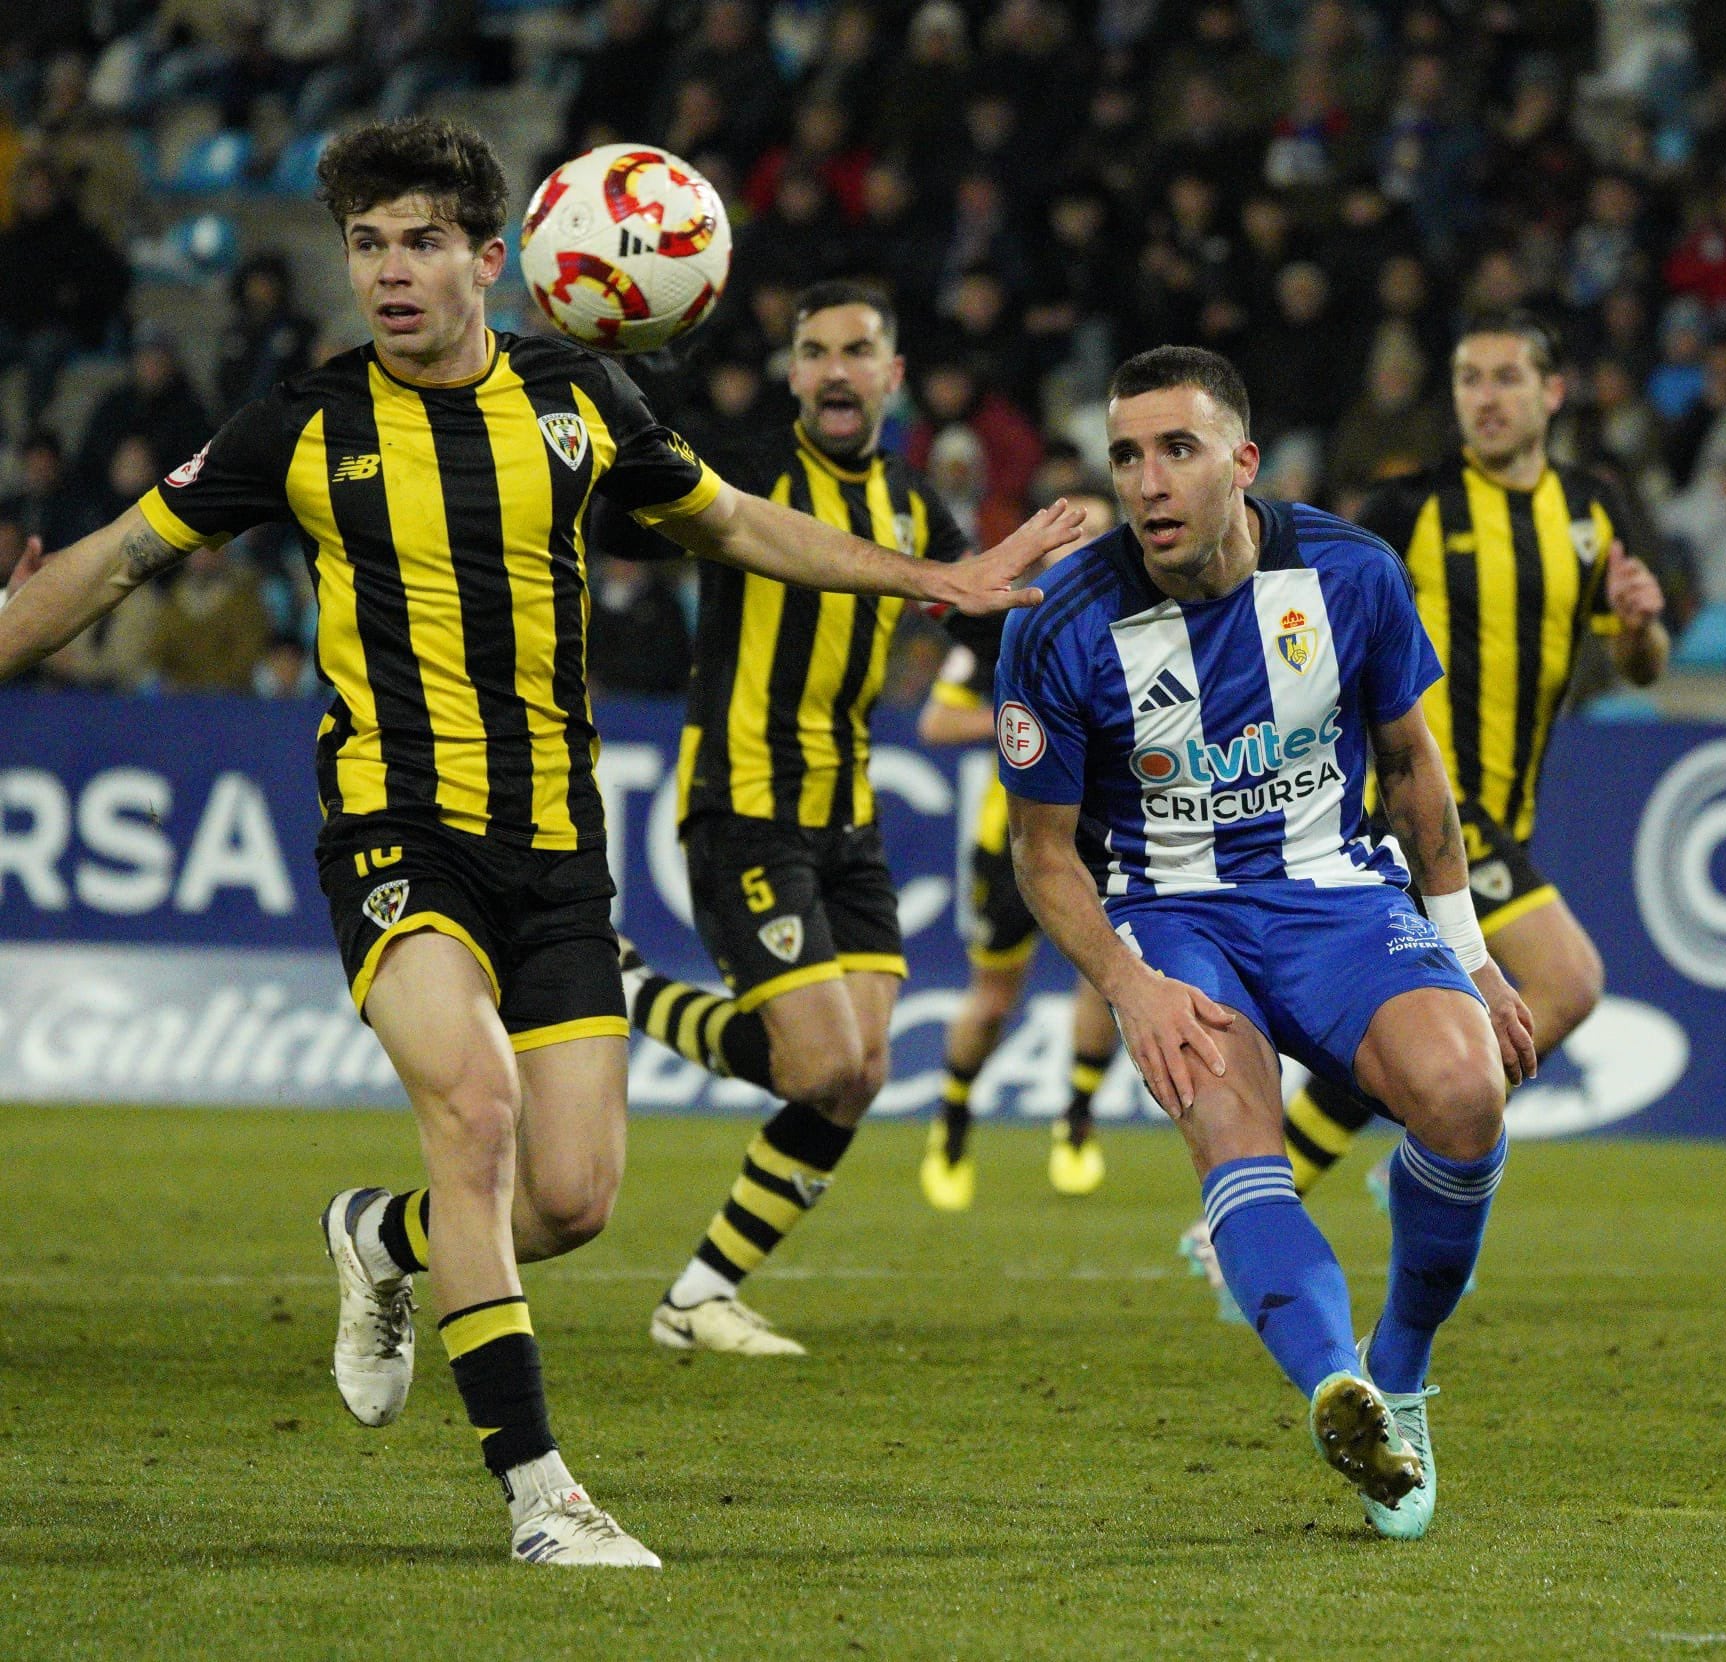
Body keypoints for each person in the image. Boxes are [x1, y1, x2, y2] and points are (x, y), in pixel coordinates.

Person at [0, 118, 1071, 1568]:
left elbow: (738, 523)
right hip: (393, 835)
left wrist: (938, 577)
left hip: (559, 855)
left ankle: (378, 1236)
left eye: (423, 242)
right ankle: (541, 1494)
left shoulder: (579, 402)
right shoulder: (300, 426)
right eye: (367, 243)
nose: (390, 271)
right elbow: (119, 554)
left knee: (565, 1200)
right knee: (481, 1114)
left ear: (493, 261)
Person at [996, 344, 1537, 1538]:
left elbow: (1408, 770)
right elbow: (1044, 857)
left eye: (1176, 450)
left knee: (1464, 1094)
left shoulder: (1348, 573)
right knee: (1234, 1131)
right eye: (1127, 454)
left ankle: (1396, 1379)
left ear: (1241, 463)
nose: (1146, 482)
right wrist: (1128, 985)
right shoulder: (1061, 625)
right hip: (1168, 915)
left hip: (1334, 895)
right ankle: (1332, 1389)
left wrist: (1474, 955)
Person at [616, 281, 983, 1357]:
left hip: (848, 817)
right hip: (744, 806)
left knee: (861, 1073)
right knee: (818, 1064)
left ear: (891, 375)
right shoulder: (738, 478)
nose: (834, 369)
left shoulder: (915, 507)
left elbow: (989, 616)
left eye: (857, 349)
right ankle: (628, 985)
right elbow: (623, 523)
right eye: (814, 350)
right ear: (792, 373)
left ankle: (695, 1299)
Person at [1272, 310, 1667, 1202]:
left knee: (1408, 1033)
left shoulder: (1593, 512)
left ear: (1552, 392)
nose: (1483, 399)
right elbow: (1300, 611)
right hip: (1421, 803)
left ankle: (1265, 1197)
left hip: (1505, 811)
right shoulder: (1410, 508)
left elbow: (1643, 667)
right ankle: (1424, 1166)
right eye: (1468, 380)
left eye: (1505, 378)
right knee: (1566, 982)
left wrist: (1640, 627)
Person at [917, 491, 1123, 1211]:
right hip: (1008, 840)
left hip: (1099, 835)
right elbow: (937, 723)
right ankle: (952, 1119)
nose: (1084, 543)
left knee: (1105, 977)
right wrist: (1020, 721)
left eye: (1098, 531)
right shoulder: (1011, 623)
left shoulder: (1138, 620)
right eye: (1073, 531)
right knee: (994, 997)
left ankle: (1076, 1120)